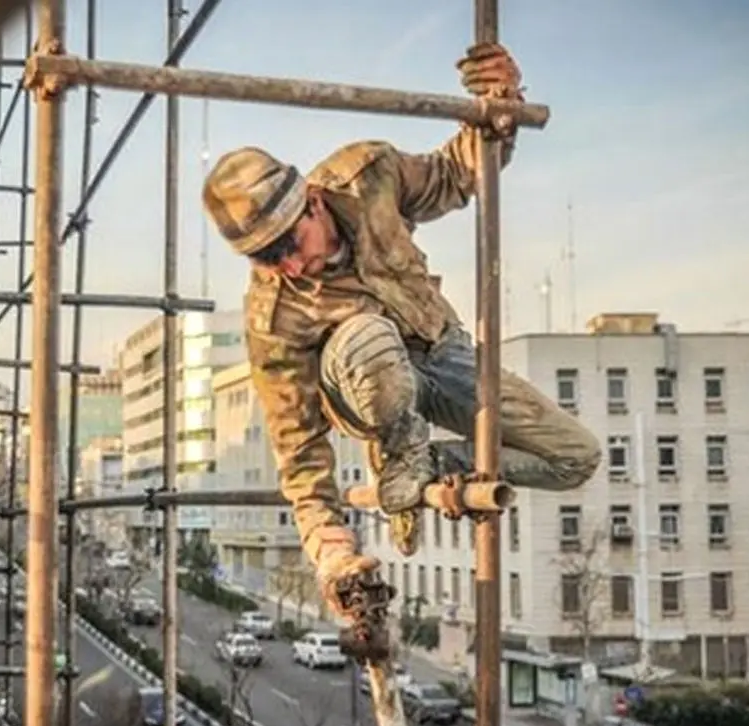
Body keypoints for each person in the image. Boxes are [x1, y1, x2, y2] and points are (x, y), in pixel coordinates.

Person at [201, 44, 601, 621]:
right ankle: (398, 446)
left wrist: (499, 108)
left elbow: (455, 176)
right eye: (265, 258)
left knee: (575, 457)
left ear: (312, 202)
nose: (287, 266)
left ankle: (419, 467)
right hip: (363, 381)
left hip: (441, 351)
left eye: (289, 244)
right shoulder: (274, 319)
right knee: (367, 335)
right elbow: (301, 456)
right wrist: (334, 556)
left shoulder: (368, 178)